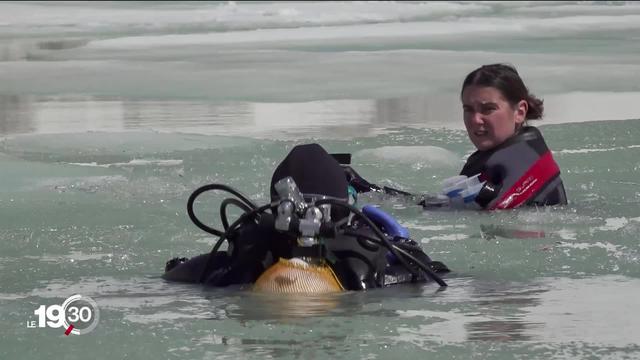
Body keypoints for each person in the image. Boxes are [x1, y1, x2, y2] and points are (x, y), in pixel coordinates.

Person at [163, 143, 449, 292]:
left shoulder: (250, 253)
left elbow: (181, 275)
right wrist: (406, 246)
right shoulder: (365, 255)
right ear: (344, 206)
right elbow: (437, 275)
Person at [457, 63, 567, 209]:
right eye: (469, 110)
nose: (475, 119)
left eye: (488, 109)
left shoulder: (524, 161)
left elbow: (495, 212)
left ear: (520, 112)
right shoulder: (489, 161)